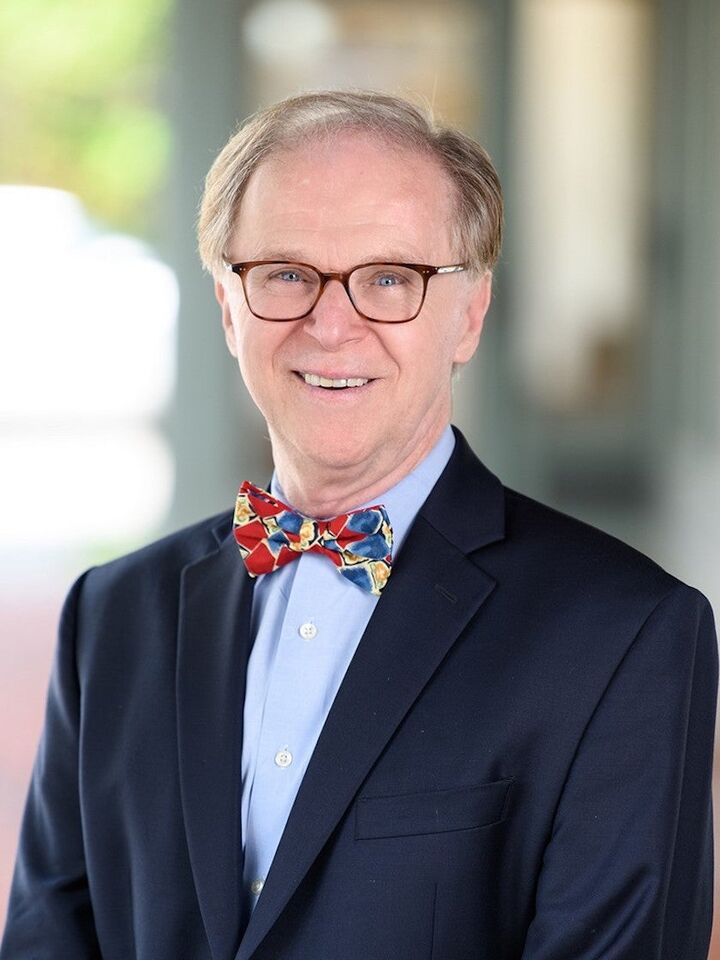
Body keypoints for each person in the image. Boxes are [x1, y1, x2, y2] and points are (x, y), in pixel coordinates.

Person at [1, 90, 717, 960]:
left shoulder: (625, 634)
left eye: (388, 279)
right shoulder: (110, 616)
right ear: (228, 306)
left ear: (469, 314)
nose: (331, 323)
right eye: (286, 274)